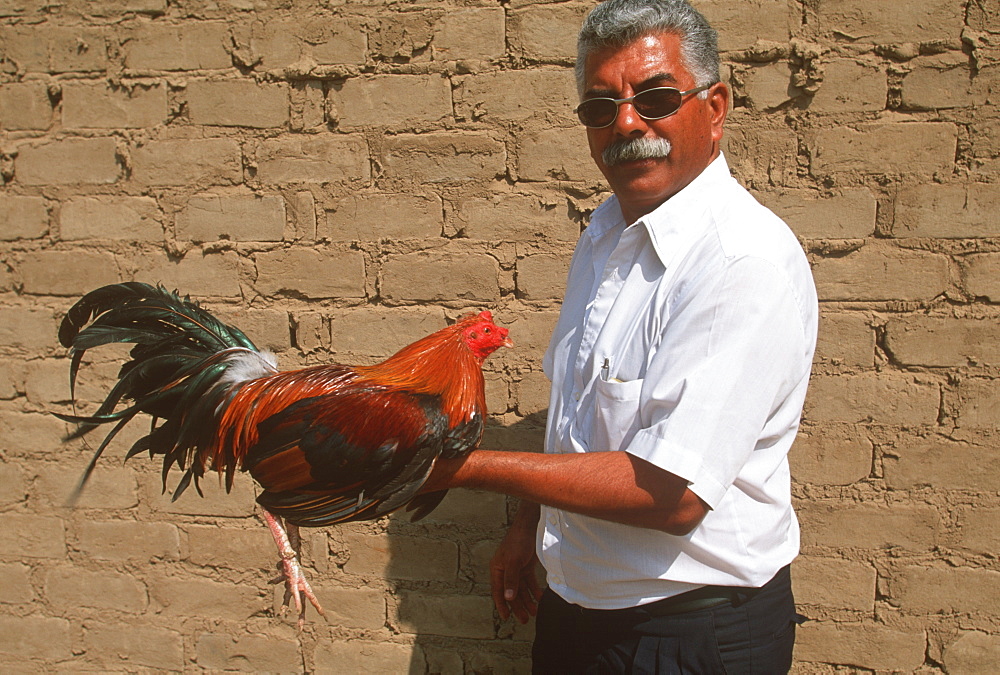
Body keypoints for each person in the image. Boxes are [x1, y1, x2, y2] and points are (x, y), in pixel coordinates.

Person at [422, 0, 818, 671]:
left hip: (689, 635)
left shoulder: (738, 262)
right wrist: (530, 525)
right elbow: (581, 420)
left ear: (715, 108)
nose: (627, 122)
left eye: (655, 97)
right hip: (579, 612)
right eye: (599, 107)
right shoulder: (607, 232)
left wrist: (455, 467)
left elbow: (672, 492)